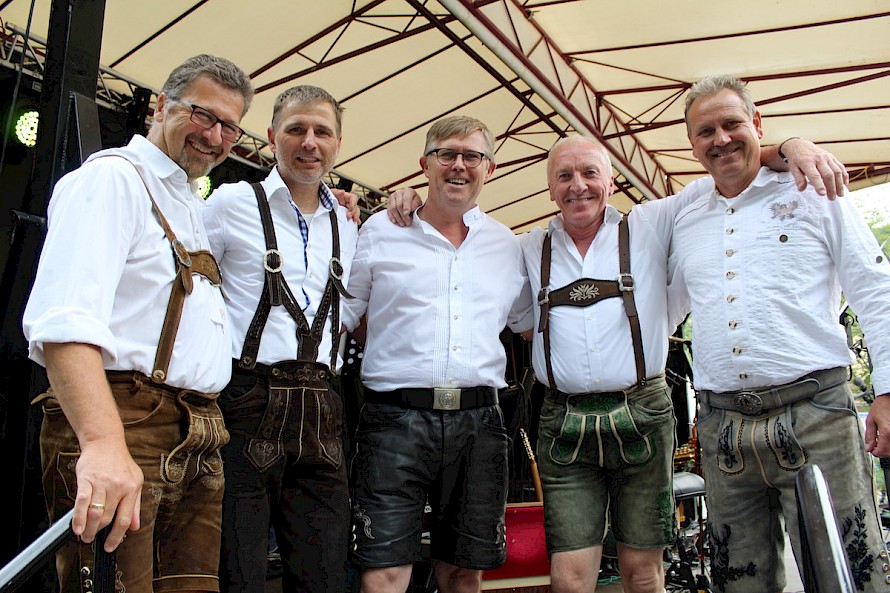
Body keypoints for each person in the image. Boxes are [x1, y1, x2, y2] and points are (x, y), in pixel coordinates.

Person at [387, 135, 847, 593]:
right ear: (550, 188)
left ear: (611, 182)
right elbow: (515, 314)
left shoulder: (651, 223)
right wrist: (412, 200)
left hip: (642, 414)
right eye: (564, 176)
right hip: (563, 422)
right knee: (568, 579)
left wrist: (790, 147)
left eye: (590, 173)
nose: (578, 185)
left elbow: (724, 166)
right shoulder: (525, 248)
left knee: (642, 574)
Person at [22, 55, 253, 593]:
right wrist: (102, 442)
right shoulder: (113, 179)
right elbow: (65, 324)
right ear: (161, 106)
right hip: (128, 423)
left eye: (229, 127)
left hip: (196, 433)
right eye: (202, 114)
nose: (214, 136)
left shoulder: (187, 200)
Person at [669, 74, 890, 593]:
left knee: (848, 575)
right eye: (706, 132)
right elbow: (664, 309)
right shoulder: (685, 214)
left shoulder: (815, 189)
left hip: (817, 413)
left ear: (757, 123)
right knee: (737, 581)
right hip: (724, 426)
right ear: (692, 144)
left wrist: (888, 390)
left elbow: (875, 288)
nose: (721, 139)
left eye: (732, 124)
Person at [343, 115, 534, 593]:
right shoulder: (379, 230)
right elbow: (346, 314)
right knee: (384, 571)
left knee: (464, 572)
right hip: (393, 421)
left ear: (490, 168)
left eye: (472, 156)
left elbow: (531, 325)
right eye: (446, 154)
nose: (458, 165)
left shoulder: (507, 244)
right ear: (424, 164)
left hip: (480, 424)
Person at [203, 85, 358, 593]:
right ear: (272, 137)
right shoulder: (230, 203)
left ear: (337, 144)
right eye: (296, 129)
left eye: (322, 132)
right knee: (238, 567)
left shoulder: (349, 222)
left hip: (324, 404)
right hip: (247, 398)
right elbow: (185, 289)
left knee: (325, 571)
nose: (309, 142)